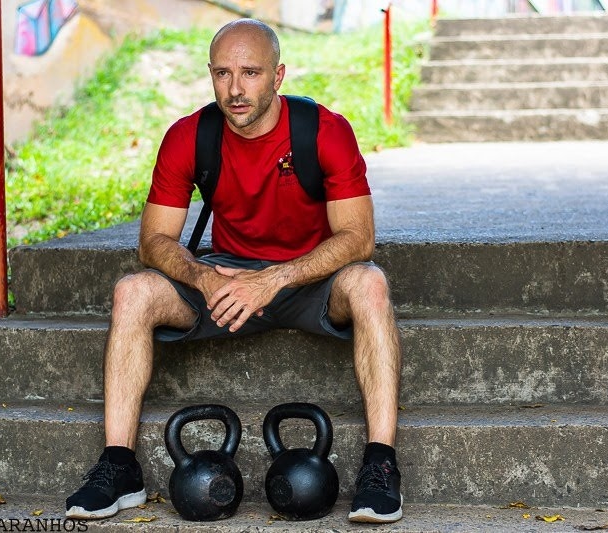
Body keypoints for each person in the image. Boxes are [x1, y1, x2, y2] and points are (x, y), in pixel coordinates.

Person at [65, 18, 403, 524]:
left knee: (370, 283)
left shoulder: (324, 131)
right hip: (225, 281)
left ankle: (380, 465)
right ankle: (119, 467)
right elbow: (153, 242)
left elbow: (358, 238)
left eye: (250, 72)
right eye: (222, 73)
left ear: (278, 76)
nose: (235, 89)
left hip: (309, 279)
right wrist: (204, 277)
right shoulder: (189, 136)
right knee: (133, 292)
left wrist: (275, 279)